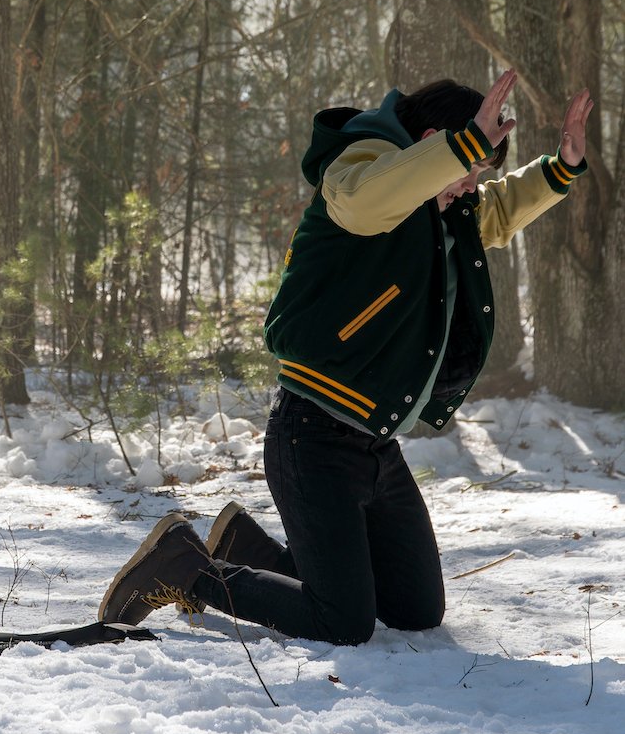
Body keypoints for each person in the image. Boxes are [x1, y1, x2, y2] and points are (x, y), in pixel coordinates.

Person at [99, 70, 594, 645]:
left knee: (413, 609)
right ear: (434, 140)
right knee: (343, 622)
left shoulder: (435, 202)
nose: (469, 187)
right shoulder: (359, 169)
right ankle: (184, 568)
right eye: (471, 170)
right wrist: (457, 151)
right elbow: (370, 203)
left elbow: (496, 213)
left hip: (375, 443)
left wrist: (559, 169)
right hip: (311, 436)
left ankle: (244, 547)